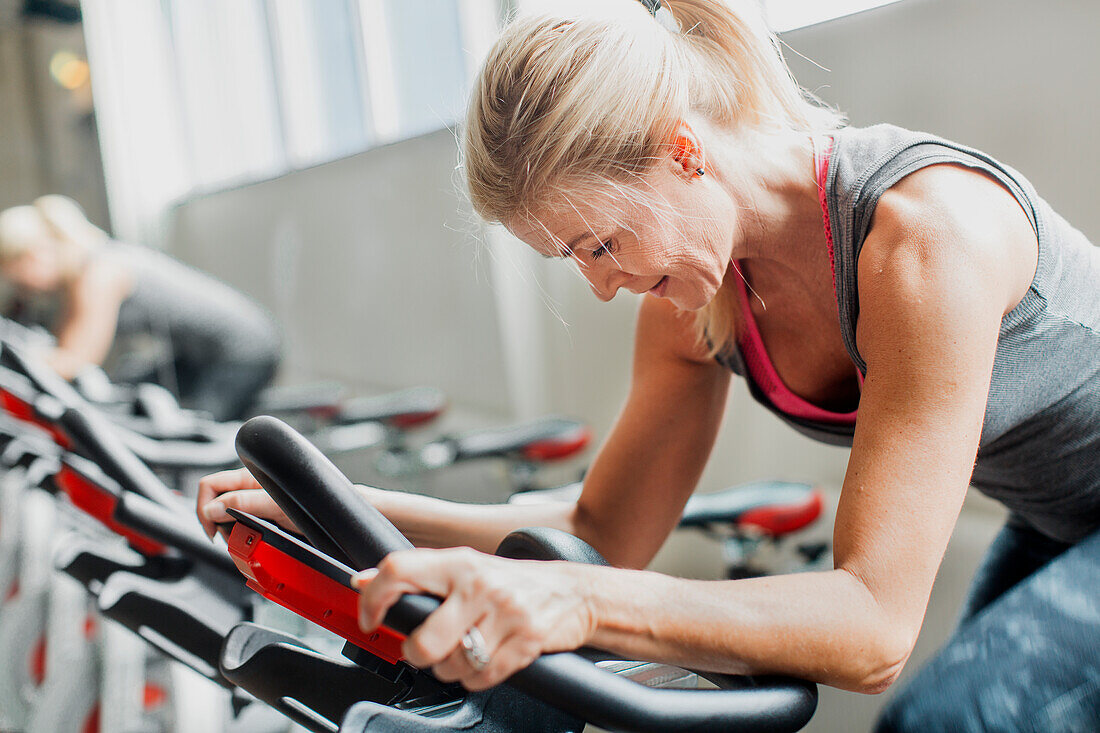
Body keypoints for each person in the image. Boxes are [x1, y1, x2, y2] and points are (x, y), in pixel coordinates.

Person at [197, 1, 1100, 729]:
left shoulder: (924, 238)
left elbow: (872, 625)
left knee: (947, 718)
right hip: (1059, 516)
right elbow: (606, 526)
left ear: (682, 148)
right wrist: (327, 507)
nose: (600, 287)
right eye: (573, 261)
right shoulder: (700, 297)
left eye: (600, 243)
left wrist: (581, 603)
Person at [0, 195, 281, 421]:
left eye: (16, 273)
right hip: (197, 355)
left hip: (243, 353)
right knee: (129, 390)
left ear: (36, 253)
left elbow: (75, 360)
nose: (24, 286)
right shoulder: (83, 273)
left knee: (194, 436)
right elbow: (64, 342)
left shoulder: (100, 273)